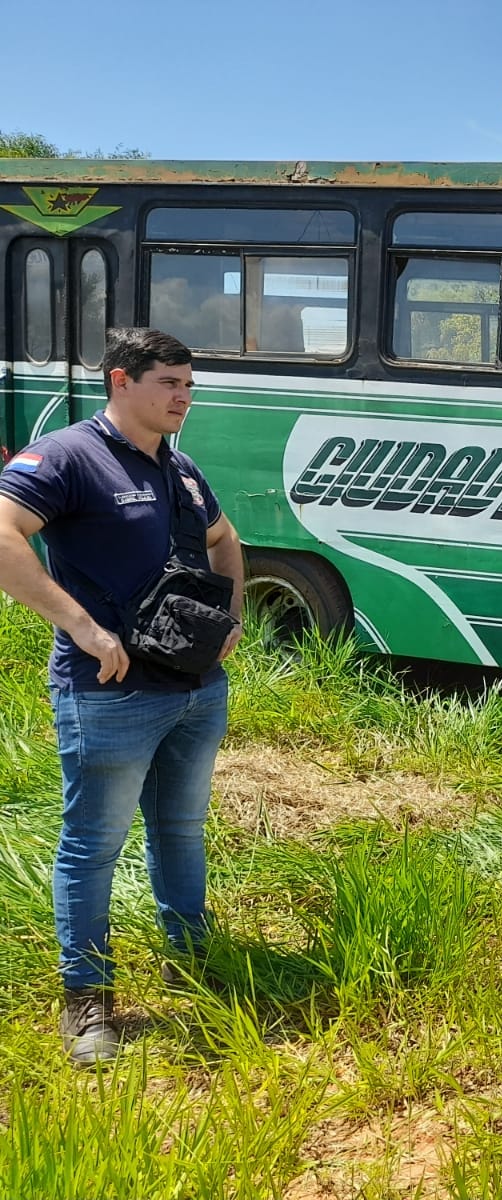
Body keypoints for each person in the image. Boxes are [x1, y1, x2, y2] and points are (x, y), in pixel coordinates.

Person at [0, 328, 243, 1066]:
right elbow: (5, 536)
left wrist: (230, 617)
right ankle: (88, 1001)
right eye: (170, 382)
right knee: (93, 847)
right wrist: (81, 626)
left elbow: (225, 537)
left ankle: (192, 961)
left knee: (182, 830)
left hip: (197, 691)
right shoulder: (71, 456)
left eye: (189, 386)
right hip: (109, 694)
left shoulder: (182, 467)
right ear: (120, 381)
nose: (183, 398)